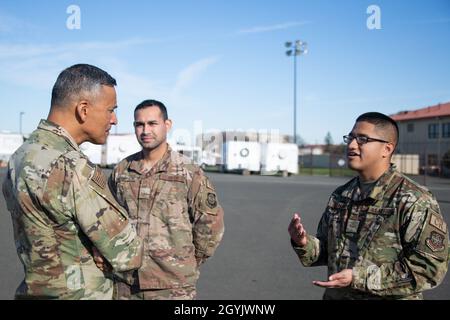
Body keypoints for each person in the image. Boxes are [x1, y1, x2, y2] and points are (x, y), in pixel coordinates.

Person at [2, 64, 143, 299]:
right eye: (110, 110)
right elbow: (127, 252)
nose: (115, 119)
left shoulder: (20, 157)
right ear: (83, 109)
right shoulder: (72, 167)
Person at [288, 112, 449, 300]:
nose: (351, 144)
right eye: (350, 137)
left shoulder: (413, 199)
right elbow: (327, 252)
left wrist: (359, 278)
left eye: (362, 139)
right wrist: (304, 243)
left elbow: (428, 269)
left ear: (387, 149)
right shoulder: (341, 196)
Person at [107, 99, 224, 300]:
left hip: (172, 287)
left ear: (167, 125)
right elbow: (108, 219)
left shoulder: (188, 172)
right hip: (126, 285)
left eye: (152, 123)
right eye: (139, 124)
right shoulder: (122, 171)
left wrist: (186, 262)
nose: (145, 130)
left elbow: (211, 225)